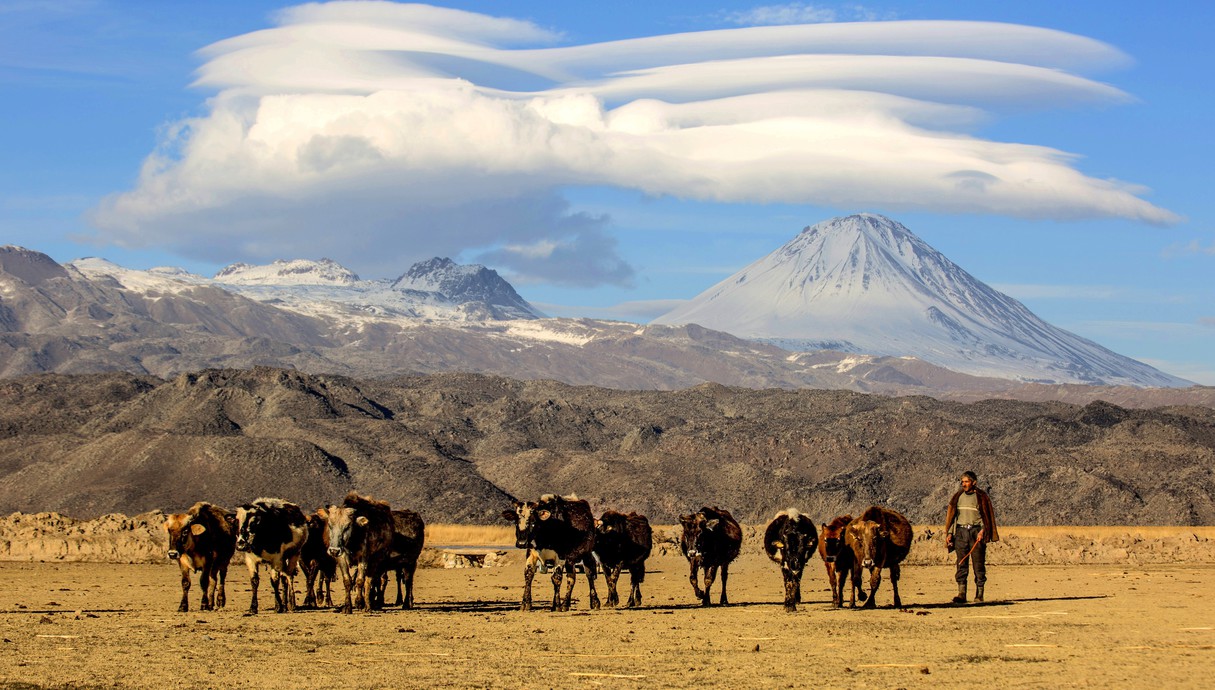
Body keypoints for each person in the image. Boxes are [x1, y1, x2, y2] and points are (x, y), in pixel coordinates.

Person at [944, 471, 998, 603]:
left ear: (974, 482)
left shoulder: (982, 497)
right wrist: (950, 533)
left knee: (978, 564)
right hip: (961, 532)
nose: (964, 484)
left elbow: (987, 517)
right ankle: (961, 594)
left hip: (976, 533)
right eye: (962, 482)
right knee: (961, 563)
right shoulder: (958, 496)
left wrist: (983, 531)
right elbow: (953, 517)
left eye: (966, 482)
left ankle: (979, 594)